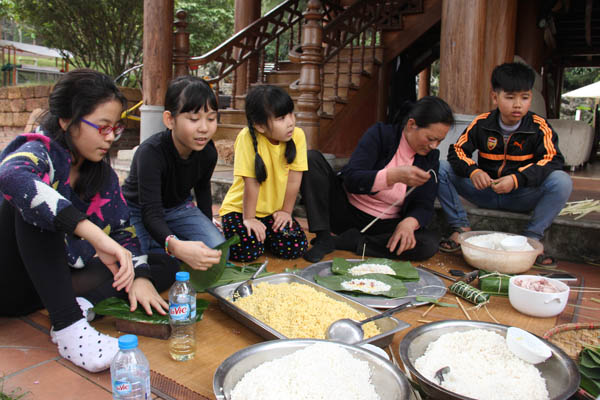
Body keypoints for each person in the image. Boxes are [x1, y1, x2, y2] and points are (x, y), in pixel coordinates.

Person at [0, 69, 179, 373]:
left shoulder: (101, 175)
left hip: (47, 286)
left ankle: (79, 307)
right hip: (8, 283)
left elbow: (124, 232)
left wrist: (140, 277)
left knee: (164, 265)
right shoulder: (38, 150)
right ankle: (70, 329)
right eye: (102, 127)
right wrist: (95, 235)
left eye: (115, 128)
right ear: (66, 121)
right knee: (36, 206)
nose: (110, 137)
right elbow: (11, 176)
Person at [437, 62, 572, 268]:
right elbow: (457, 151)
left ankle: (531, 240)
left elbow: (552, 160)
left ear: (530, 98)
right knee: (440, 167)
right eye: (510, 97)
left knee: (561, 181)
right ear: (495, 97)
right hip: (484, 191)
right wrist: (473, 171)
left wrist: (517, 179)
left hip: (521, 195)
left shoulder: (539, 127)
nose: (518, 104)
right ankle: (461, 228)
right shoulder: (481, 123)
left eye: (524, 98)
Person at [301, 96, 455, 263]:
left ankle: (352, 242)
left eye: (440, 141)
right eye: (431, 139)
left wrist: (409, 223)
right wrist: (392, 176)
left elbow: (424, 203)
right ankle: (324, 237)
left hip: (383, 226)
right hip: (344, 211)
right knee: (312, 159)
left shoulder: (430, 158)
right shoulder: (381, 135)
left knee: (427, 244)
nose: (434, 146)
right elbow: (352, 179)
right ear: (411, 125)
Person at [122, 75, 223, 270]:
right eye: (194, 119)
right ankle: (163, 246)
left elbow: (203, 191)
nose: (204, 128)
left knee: (216, 252)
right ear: (170, 119)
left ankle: (164, 244)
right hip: (138, 209)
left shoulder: (208, 152)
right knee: (137, 263)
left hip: (179, 208)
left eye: (211, 118)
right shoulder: (150, 153)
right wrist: (175, 246)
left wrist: (205, 228)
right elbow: (150, 212)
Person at [219, 85, 308, 262]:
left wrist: (285, 212)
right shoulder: (246, 138)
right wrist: (249, 219)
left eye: (291, 114)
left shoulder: (297, 136)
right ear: (259, 125)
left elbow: (294, 181)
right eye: (281, 118)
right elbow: (252, 183)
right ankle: (226, 229)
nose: (290, 122)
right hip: (240, 210)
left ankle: (263, 237)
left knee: (296, 246)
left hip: (272, 212)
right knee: (247, 252)